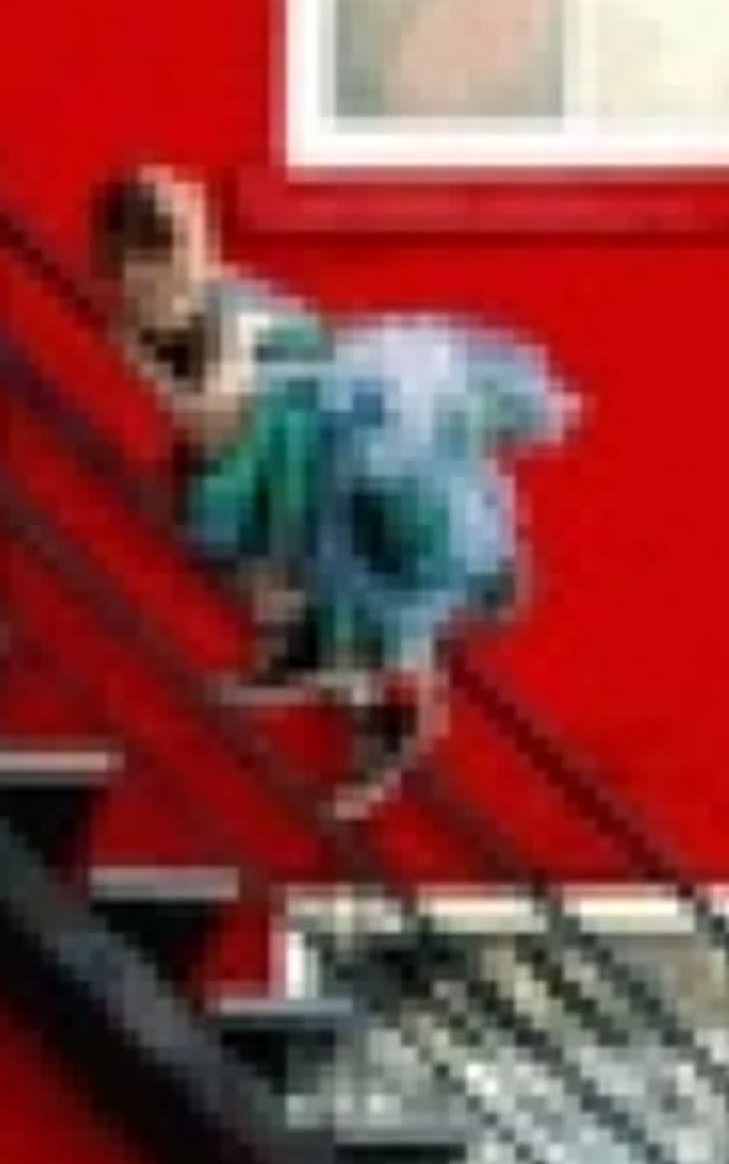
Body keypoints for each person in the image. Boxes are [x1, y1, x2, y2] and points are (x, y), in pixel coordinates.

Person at [90, 163, 578, 818]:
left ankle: (387, 687)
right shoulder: (152, 320)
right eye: (129, 263)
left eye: (160, 254)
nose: (140, 282)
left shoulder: (225, 309)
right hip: (288, 446)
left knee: (297, 523)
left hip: (338, 428)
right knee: (226, 506)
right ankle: (344, 673)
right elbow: (207, 423)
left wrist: (158, 367)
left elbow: (214, 418)